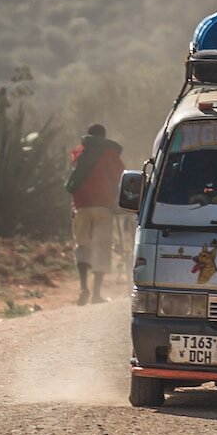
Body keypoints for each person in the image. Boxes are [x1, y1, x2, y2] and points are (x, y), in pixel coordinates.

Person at [66, 122, 125, 305]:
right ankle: (96, 294)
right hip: (103, 207)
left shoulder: (79, 152)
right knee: (101, 248)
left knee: (82, 245)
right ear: (103, 137)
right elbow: (121, 177)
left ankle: (84, 287)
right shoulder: (109, 153)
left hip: (80, 205)